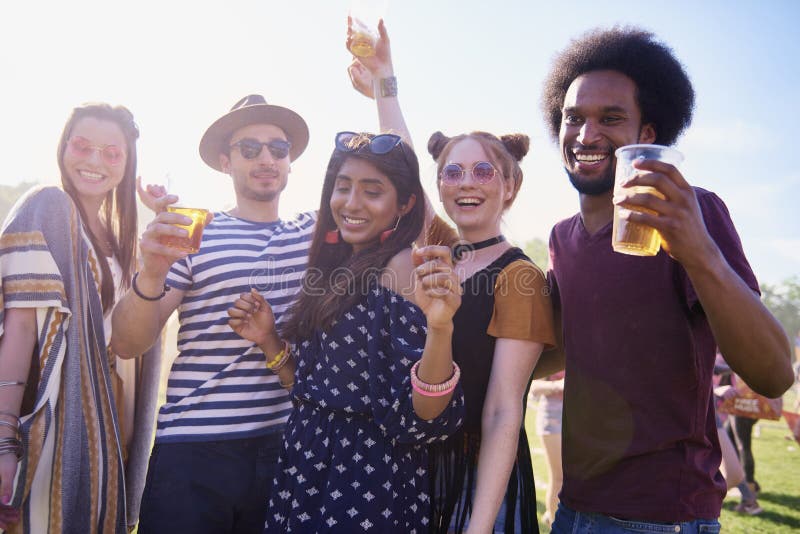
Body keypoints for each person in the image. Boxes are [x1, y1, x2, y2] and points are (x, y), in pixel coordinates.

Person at [535, 27, 794, 532]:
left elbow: (775, 374)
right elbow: (566, 345)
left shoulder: (689, 211)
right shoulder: (561, 239)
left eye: (610, 119)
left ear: (647, 136)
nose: (586, 136)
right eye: (573, 118)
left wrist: (697, 251)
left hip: (661, 518)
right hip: (574, 508)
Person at [229, 130, 465, 533]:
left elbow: (423, 416)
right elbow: (312, 393)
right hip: (310, 466)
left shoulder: (401, 266)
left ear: (404, 204)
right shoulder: (340, 265)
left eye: (372, 191)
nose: (351, 204)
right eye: (343, 188)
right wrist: (268, 339)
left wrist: (440, 329)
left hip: (366, 480)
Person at [110, 95, 315, 533]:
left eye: (278, 149)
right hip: (193, 451)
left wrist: (383, 83)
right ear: (226, 162)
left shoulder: (314, 235)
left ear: (290, 162)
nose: (266, 158)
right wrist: (150, 273)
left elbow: (403, 194)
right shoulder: (195, 233)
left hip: (285, 446)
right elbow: (127, 342)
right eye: (249, 148)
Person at [0, 103, 141, 533]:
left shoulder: (117, 240)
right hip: (54, 422)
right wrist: (4, 438)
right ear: (64, 148)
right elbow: (21, 327)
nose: (95, 161)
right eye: (83, 146)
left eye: (111, 152)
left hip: (104, 427)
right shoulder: (48, 208)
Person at [425, 131, 555, 534]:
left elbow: (502, 411)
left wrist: (478, 527)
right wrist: (383, 83)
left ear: (510, 186)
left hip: (480, 481)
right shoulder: (441, 254)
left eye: (483, 172)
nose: (466, 182)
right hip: (424, 472)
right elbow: (402, 166)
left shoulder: (519, 277)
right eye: (453, 172)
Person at [530, 372, 564, 528]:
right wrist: (557, 385)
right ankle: (552, 522)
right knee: (559, 478)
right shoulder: (555, 351)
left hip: (581, 417)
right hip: (553, 417)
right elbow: (533, 387)